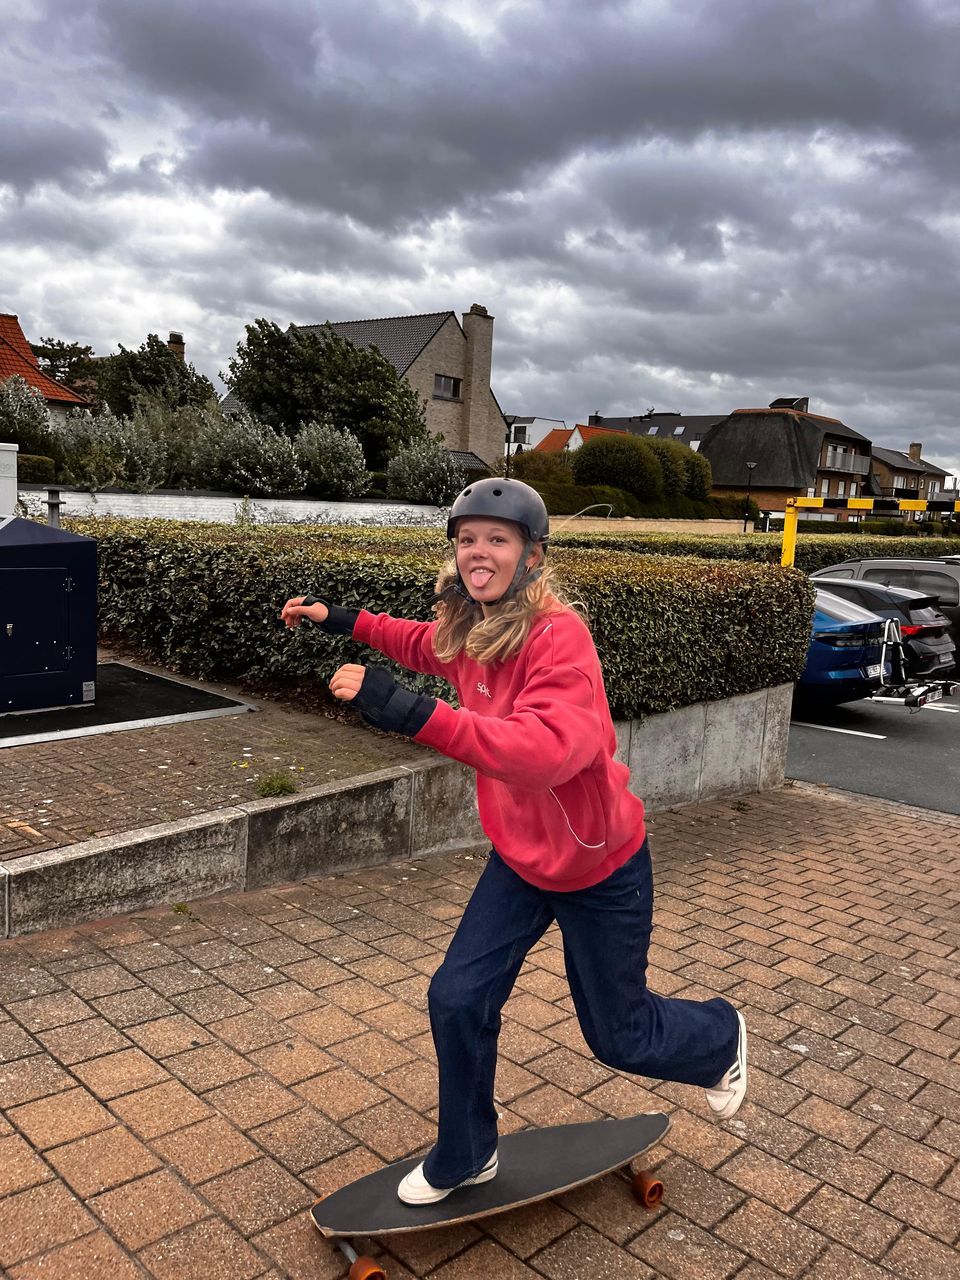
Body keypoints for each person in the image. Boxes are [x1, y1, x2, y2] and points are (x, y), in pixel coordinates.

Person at [280, 477, 746, 1206]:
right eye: (467, 539)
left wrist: (410, 713)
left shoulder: (559, 639)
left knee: (619, 1036)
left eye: (497, 539)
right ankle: (467, 1154)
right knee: (457, 998)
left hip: (598, 866)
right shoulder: (473, 624)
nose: (479, 552)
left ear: (532, 556)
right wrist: (338, 618)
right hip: (522, 862)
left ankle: (719, 1037)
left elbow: (545, 752)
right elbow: (423, 642)